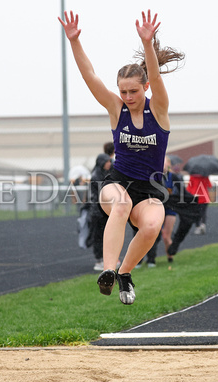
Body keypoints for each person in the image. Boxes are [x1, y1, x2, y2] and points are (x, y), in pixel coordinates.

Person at [59, 10, 184, 305]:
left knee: (152, 225)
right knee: (121, 203)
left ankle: (125, 273)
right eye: (123, 91)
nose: (127, 96)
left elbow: (154, 73)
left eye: (133, 91)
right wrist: (75, 42)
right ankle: (108, 271)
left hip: (151, 189)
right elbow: (90, 76)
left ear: (146, 88)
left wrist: (149, 44)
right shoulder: (117, 110)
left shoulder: (159, 110)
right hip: (117, 183)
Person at [86, 153, 113, 270]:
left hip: (105, 210)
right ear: (102, 163)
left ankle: (106, 259)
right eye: (107, 162)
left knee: (107, 235)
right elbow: (103, 192)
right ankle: (98, 259)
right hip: (98, 211)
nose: (109, 164)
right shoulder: (96, 176)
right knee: (98, 235)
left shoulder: (106, 173)